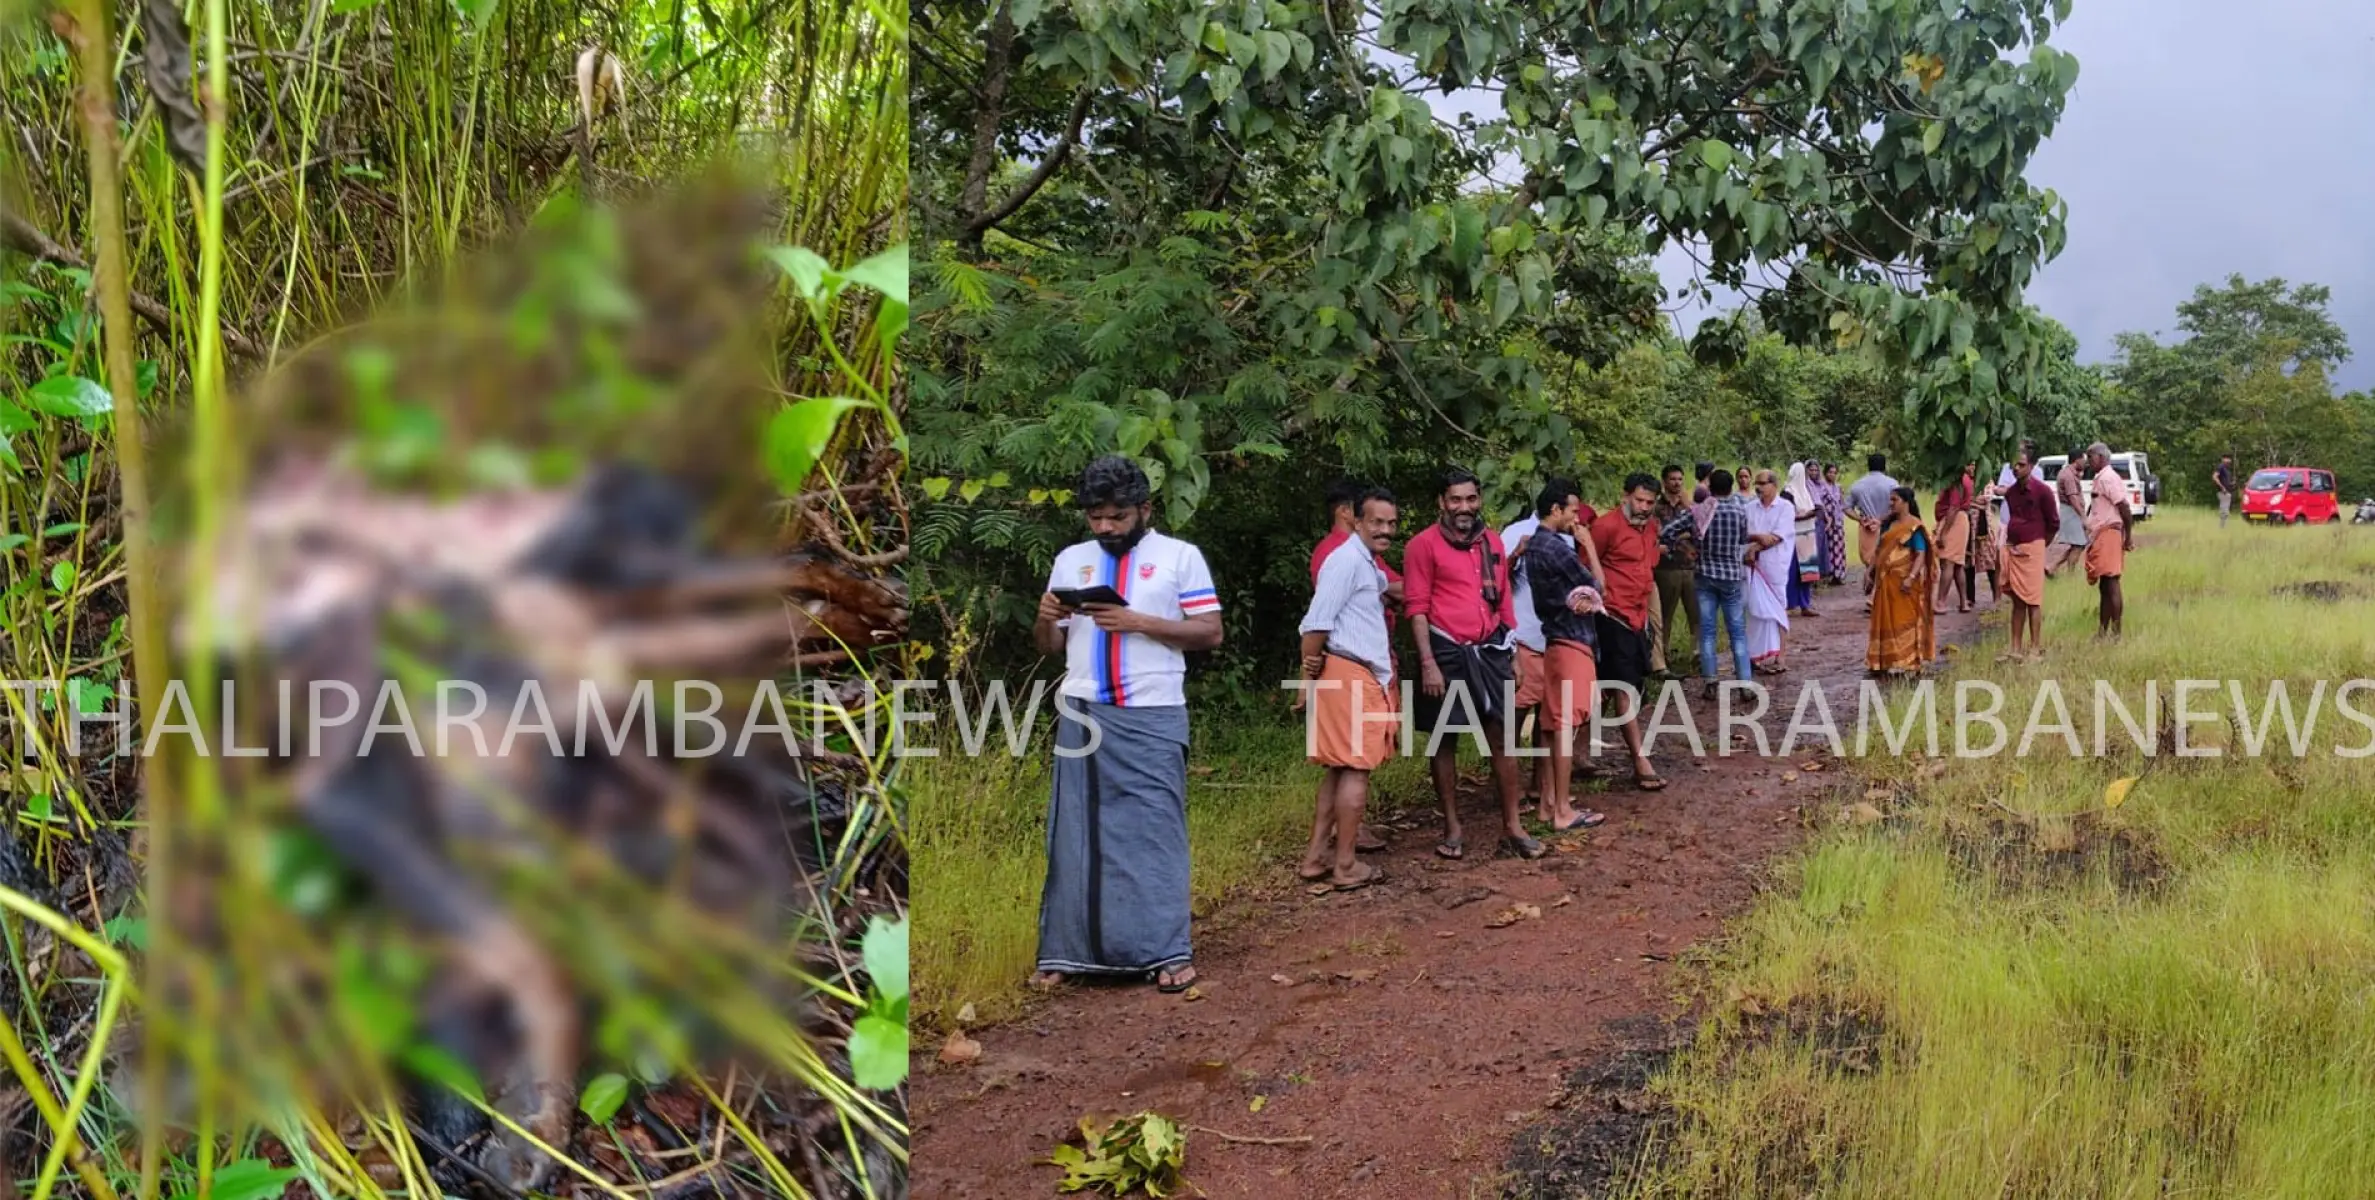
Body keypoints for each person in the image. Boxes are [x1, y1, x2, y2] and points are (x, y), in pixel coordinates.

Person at [1031, 456, 1224, 994]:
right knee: (1075, 831)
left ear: (1145, 509)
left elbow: (1210, 632)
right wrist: (1046, 618)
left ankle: (1167, 951)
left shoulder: (1179, 558)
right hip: (1081, 708)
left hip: (1152, 711)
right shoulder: (1071, 560)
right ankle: (1066, 952)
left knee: (1154, 831)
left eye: (1117, 516)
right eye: (1096, 518)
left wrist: (1138, 622)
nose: (1106, 528)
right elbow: (1050, 648)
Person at [1405, 468, 1541, 861]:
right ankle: (1452, 826)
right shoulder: (1422, 546)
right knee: (1443, 738)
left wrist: (1513, 653)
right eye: (1455, 500)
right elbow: (1416, 607)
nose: (1464, 507)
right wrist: (1428, 662)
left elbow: (1503, 602)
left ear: (1479, 499)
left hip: (1492, 649)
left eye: (1470, 499)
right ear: (1441, 503)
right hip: (1446, 652)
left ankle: (1512, 827)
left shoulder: (1492, 542)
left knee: (1503, 735)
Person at [1297, 486, 1400, 892]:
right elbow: (1315, 622)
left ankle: (1317, 856)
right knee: (1357, 768)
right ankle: (1346, 865)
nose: (1385, 530)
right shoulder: (1345, 562)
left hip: (1348, 671)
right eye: (1377, 522)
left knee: (1340, 767)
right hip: (1350, 671)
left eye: (1391, 524)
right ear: (1355, 520)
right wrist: (1308, 669)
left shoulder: (1365, 562)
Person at [1503, 480, 1603, 811]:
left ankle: (1546, 799)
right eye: (1574, 511)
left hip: (1551, 637)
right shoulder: (1555, 546)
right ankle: (1560, 808)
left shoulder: (1539, 544)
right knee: (1562, 724)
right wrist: (1587, 543)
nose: (1578, 518)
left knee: (1551, 720)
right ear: (1556, 509)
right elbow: (1597, 587)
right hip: (1562, 639)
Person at [1588, 474, 1670, 791]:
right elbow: (1586, 569)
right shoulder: (1606, 527)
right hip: (1611, 616)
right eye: (1639, 500)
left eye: (1650, 502)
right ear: (1625, 496)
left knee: (1611, 688)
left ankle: (1580, 754)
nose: (1644, 507)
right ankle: (1640, 761)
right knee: (1623, 688)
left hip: (1638, 618)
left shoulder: (1651, 528)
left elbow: (1648, 567)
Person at [1666, 468, 1751, 697]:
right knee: (1738, 632)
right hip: (1732, 577)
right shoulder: (1739, 510)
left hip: (1705, 575)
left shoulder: (1699, 512)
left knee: (1708, 631)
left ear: (1710, 488)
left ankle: (1711, 681)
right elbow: (1744, 538)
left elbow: (1667, 532)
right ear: (1731, 487)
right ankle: (1744, 683)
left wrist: (1686, 547)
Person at [1866, 486, 1936, 677]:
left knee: (1905, 621)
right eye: (1890, 500)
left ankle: (1909, 661)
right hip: (1885, 582)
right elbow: (1880, 550)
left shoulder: (1914, 526)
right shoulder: (1889, 525)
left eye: (1894, 500)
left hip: (1904, 583)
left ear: (1906, 502)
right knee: (1884, 620)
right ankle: (1883, 661)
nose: (1890, 503)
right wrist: (1870, 571)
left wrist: (1911, 577)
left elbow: (1921, 554)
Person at [1998, 448, 2057, 662]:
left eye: (2021, 464)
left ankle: (2034, 648)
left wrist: (2040, 544)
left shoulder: (2042, 491)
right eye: (2014, 464)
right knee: (2017, 600)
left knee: (2033, 600)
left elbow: (2053, 522)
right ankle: (2015, 647)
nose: (2016, 468)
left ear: (2031, 467)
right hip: (2014, 547)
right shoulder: (2012, 492)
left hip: (2032, 547)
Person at [1743, 469, 1795, 673]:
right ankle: (1755, 656)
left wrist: (1755, 546)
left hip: (1775, 566)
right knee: (1755, 611)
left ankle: (1781, 655)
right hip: (1752, 568)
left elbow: (1776, 537)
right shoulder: (1749, 508)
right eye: (1757, 483)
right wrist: (1755, 541)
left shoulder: (1785, 507)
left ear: (1774, 485)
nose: (1758, 487)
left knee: (1778, 610)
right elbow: (1744, 534)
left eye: (1762, 483)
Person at [1651, 464, 1701, 676]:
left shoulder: (1689, 506)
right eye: (1672, 479)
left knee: (1696, 612)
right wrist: (1680, 535)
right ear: (1664, 481)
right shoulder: (1655, 507)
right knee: (1665, 615)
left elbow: (1697, 531)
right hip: (1666, 567)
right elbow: (1656, 534)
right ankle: (1663, 657)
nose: (1677, 483)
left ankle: (1698, 654)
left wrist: (1676, 535)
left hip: (1690, 565)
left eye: (1680, 479)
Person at [2084, 441, 2135, 638]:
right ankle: (2103, 631)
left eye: (2091, 457)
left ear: (2101, 458)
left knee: (2111, 582)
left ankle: (2116, 632)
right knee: (2104, 585)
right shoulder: (2100, 478)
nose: (2088, 462)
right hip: (2101, 534)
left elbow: (2124, 508)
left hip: (2109, 533)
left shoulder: (2108, 478)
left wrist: (2128, 537)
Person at [1845, 453, 1901, 608]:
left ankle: (1873, 593)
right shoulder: (1892, 484)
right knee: (1885, 561)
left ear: (1868, 466)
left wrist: (1860, 519)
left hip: (1867, 527)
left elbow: (1846, 507)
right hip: (1887, 526)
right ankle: (1877, 595)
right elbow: (1898, 507)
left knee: (1871, 561)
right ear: (1884, 466)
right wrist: (1882, 519)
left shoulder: (1858, 485)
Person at [1934, 464, 1975, 613]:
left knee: (1948, 562)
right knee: (1958, 564)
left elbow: (1953, 507)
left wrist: (1944, 533)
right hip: (1958, 520)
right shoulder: (1965, 479)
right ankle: (1964, 602)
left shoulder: (1958, 481)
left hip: (1954, 521)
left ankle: (1941, 602)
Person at [2047, 444, 2090, 575]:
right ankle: (2069, 574)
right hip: (2071, 512)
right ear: (2077, 460)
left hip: (2070, 511)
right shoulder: (2069, 476)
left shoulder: (2068, 473)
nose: (2085, 463)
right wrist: (2083, 516)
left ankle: (2052, 567)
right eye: (2083, 460)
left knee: (2077, 544)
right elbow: (2073, 498)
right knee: (2079, 544)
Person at [1786, 460, 1820, 616]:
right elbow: (1788, 516)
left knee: (1807, 572)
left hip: (1807, 534)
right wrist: (1808, 514)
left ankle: (1805, 604)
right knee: (1793, 572)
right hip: (1794, 536)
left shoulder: (1805, 492)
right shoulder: (1788, 492)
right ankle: (1789, 603)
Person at [1816, 462, 1849, 584]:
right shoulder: (1821, 487)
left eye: (1835, 473)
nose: (1832, 475)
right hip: (1826, 522)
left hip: (1838, 523)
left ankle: (1838, 575)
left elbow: (1842, 504)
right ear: (1825, 473)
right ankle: (1827, 574)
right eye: (1830, 472)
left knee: (1838, 547)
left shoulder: (1838, 487)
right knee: (1827, 547)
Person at [2213, 454, 2236, 527]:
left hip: (2228, 492)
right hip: (2223, 492)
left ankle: (2223, 526)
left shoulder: (2227, 469)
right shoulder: (2221, 466)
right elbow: (2214, 477)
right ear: (2223, 459)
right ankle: (2222, 527)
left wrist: (2231, 484)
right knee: (2224, 510)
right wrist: (2222, 487)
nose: (2229, 460)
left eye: (2229, 459)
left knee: (2226, 510)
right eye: (2227, 458)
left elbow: (2225, 480)